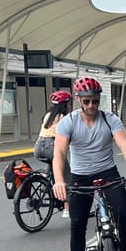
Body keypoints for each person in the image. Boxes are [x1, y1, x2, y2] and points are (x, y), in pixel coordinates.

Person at [51, 76, 126, 251]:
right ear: (78, 99)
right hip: (80, 176)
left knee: (123, 214)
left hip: (108, 172)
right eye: (86, 101)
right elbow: (59, 153)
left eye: (95, 100)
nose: (91, 105)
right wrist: (59, 180)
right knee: (77, 224)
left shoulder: (109, 118)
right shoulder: (68, 122)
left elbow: (124, 144)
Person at [35, 90, 73, 218]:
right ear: (65, 105)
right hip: (51, 146)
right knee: (67, 176)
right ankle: (67, 208)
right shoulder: (63, 117)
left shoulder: (49, 114)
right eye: (69, 103)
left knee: (52, 163)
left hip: (38, 146)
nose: (70, 106)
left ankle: (44, 180)